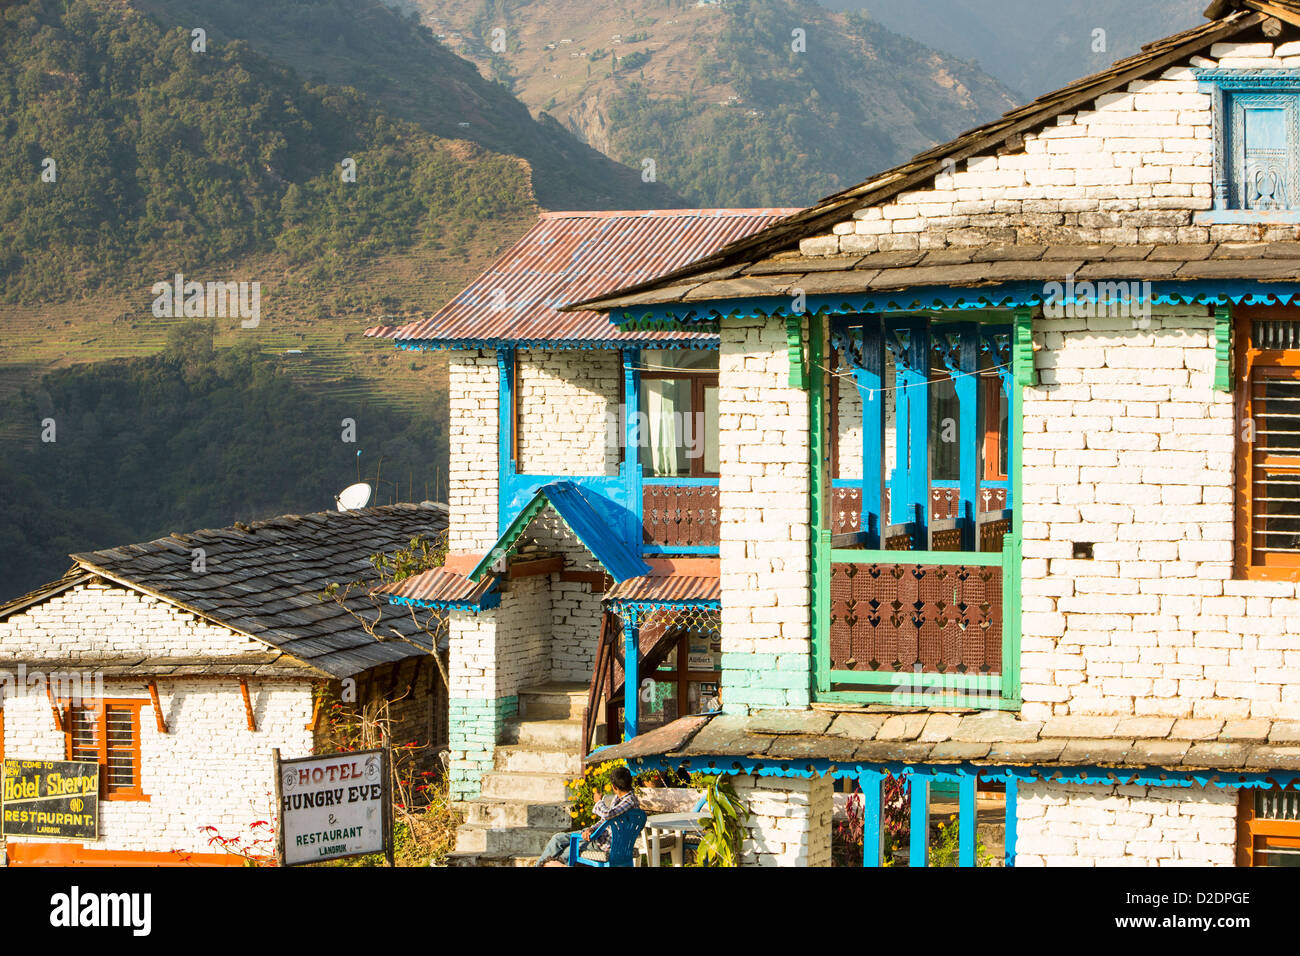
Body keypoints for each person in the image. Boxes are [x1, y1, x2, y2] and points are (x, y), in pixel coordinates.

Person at [534, 765, 640, 866]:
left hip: (605, 845)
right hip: (600, 835)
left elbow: (608, 815)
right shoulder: (621, 799)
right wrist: (591, 828)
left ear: (614, 787)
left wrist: (598, 801)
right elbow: (606, 820)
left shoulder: (629, 801)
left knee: (566, 853)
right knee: (557, 839)